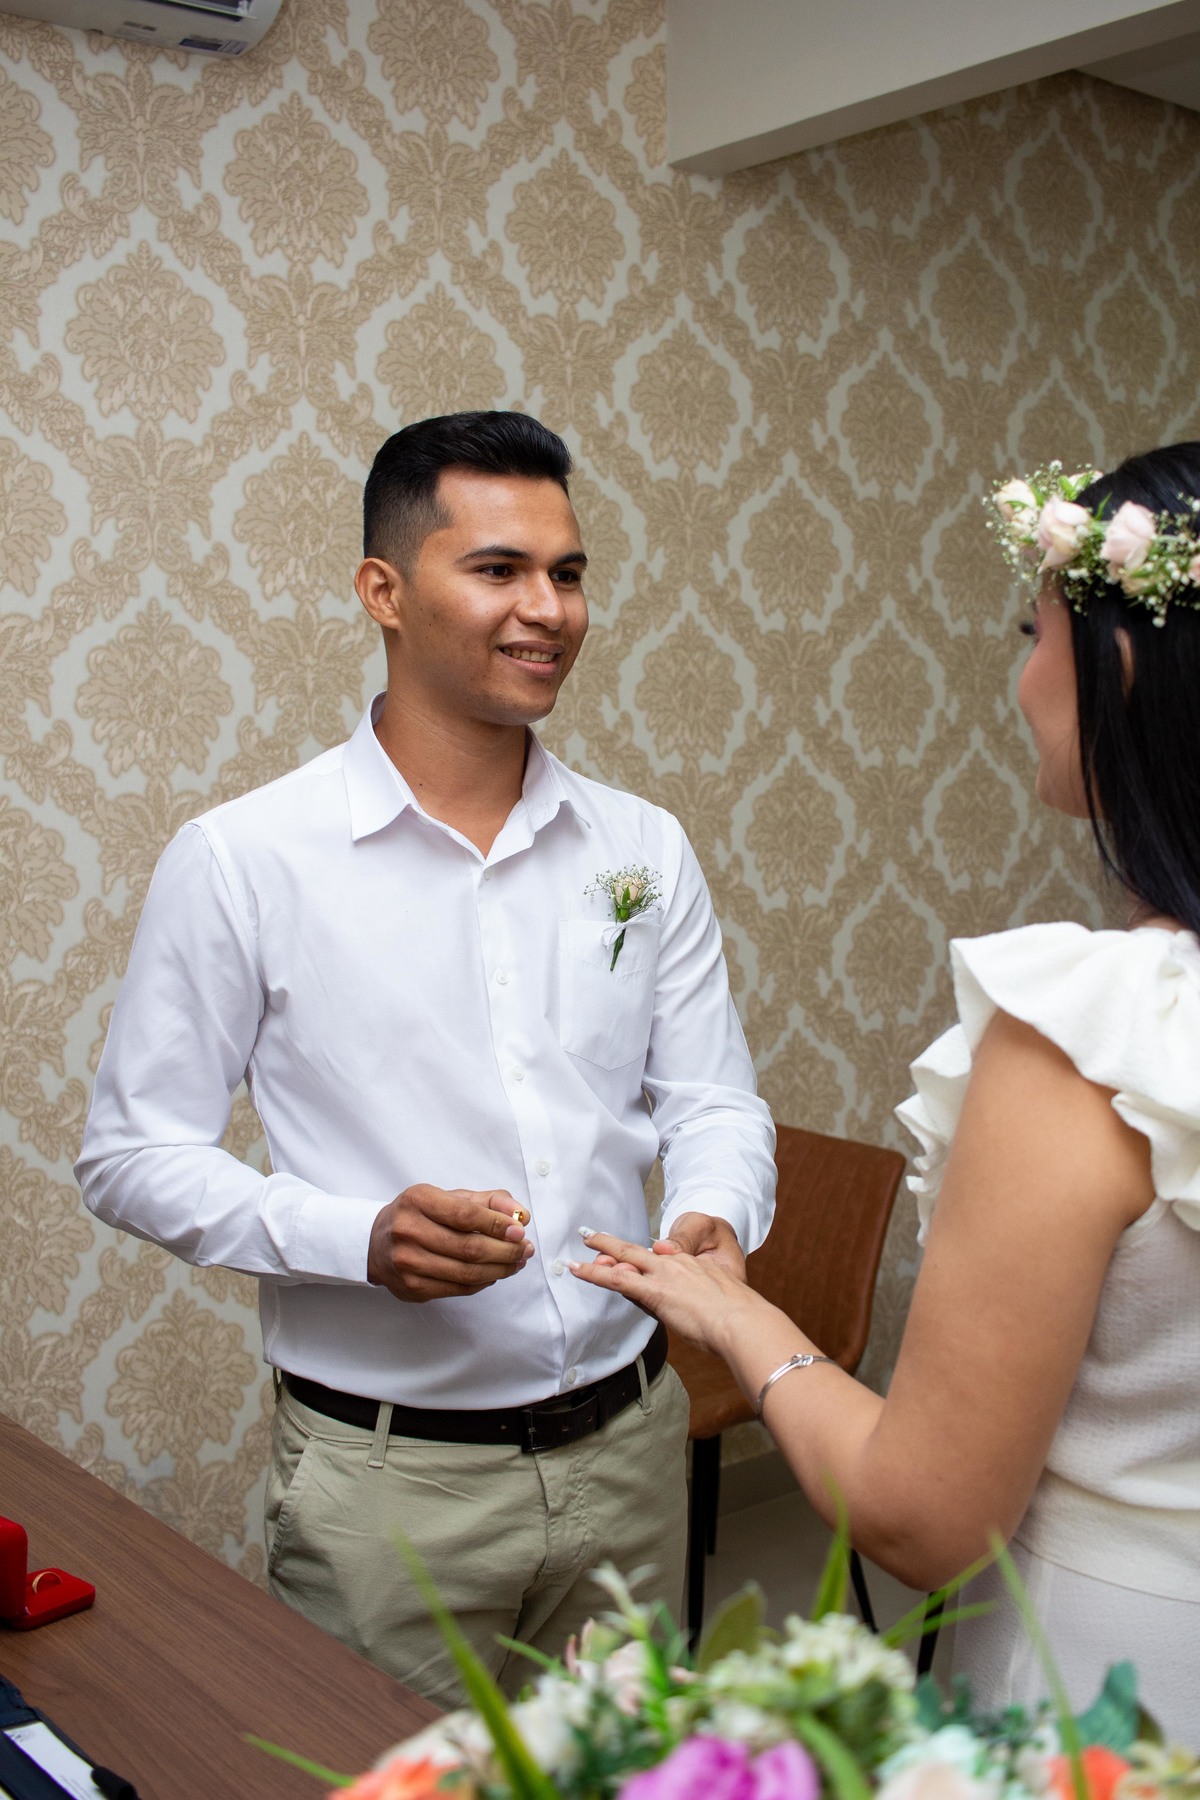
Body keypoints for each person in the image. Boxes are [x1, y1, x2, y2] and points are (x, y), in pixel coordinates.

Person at [76, 410, 776, 1706]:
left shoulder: (644, 847)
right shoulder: (245, 858)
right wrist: (357, 1239)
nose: (549, 609)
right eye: (499, 570)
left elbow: (712, 1095)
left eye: (568, 573)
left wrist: (712, 1216)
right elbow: (129, 1156)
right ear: (382, 592)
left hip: (630, 1446)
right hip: (388, 1490)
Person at [573, 441, 1200, 1742]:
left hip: (1114, 1679)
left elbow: (921, 1516)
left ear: (1117, 669)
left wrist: (742, 1322)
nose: (1020, 680)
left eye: (1031, 635)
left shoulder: (1094, 1038)